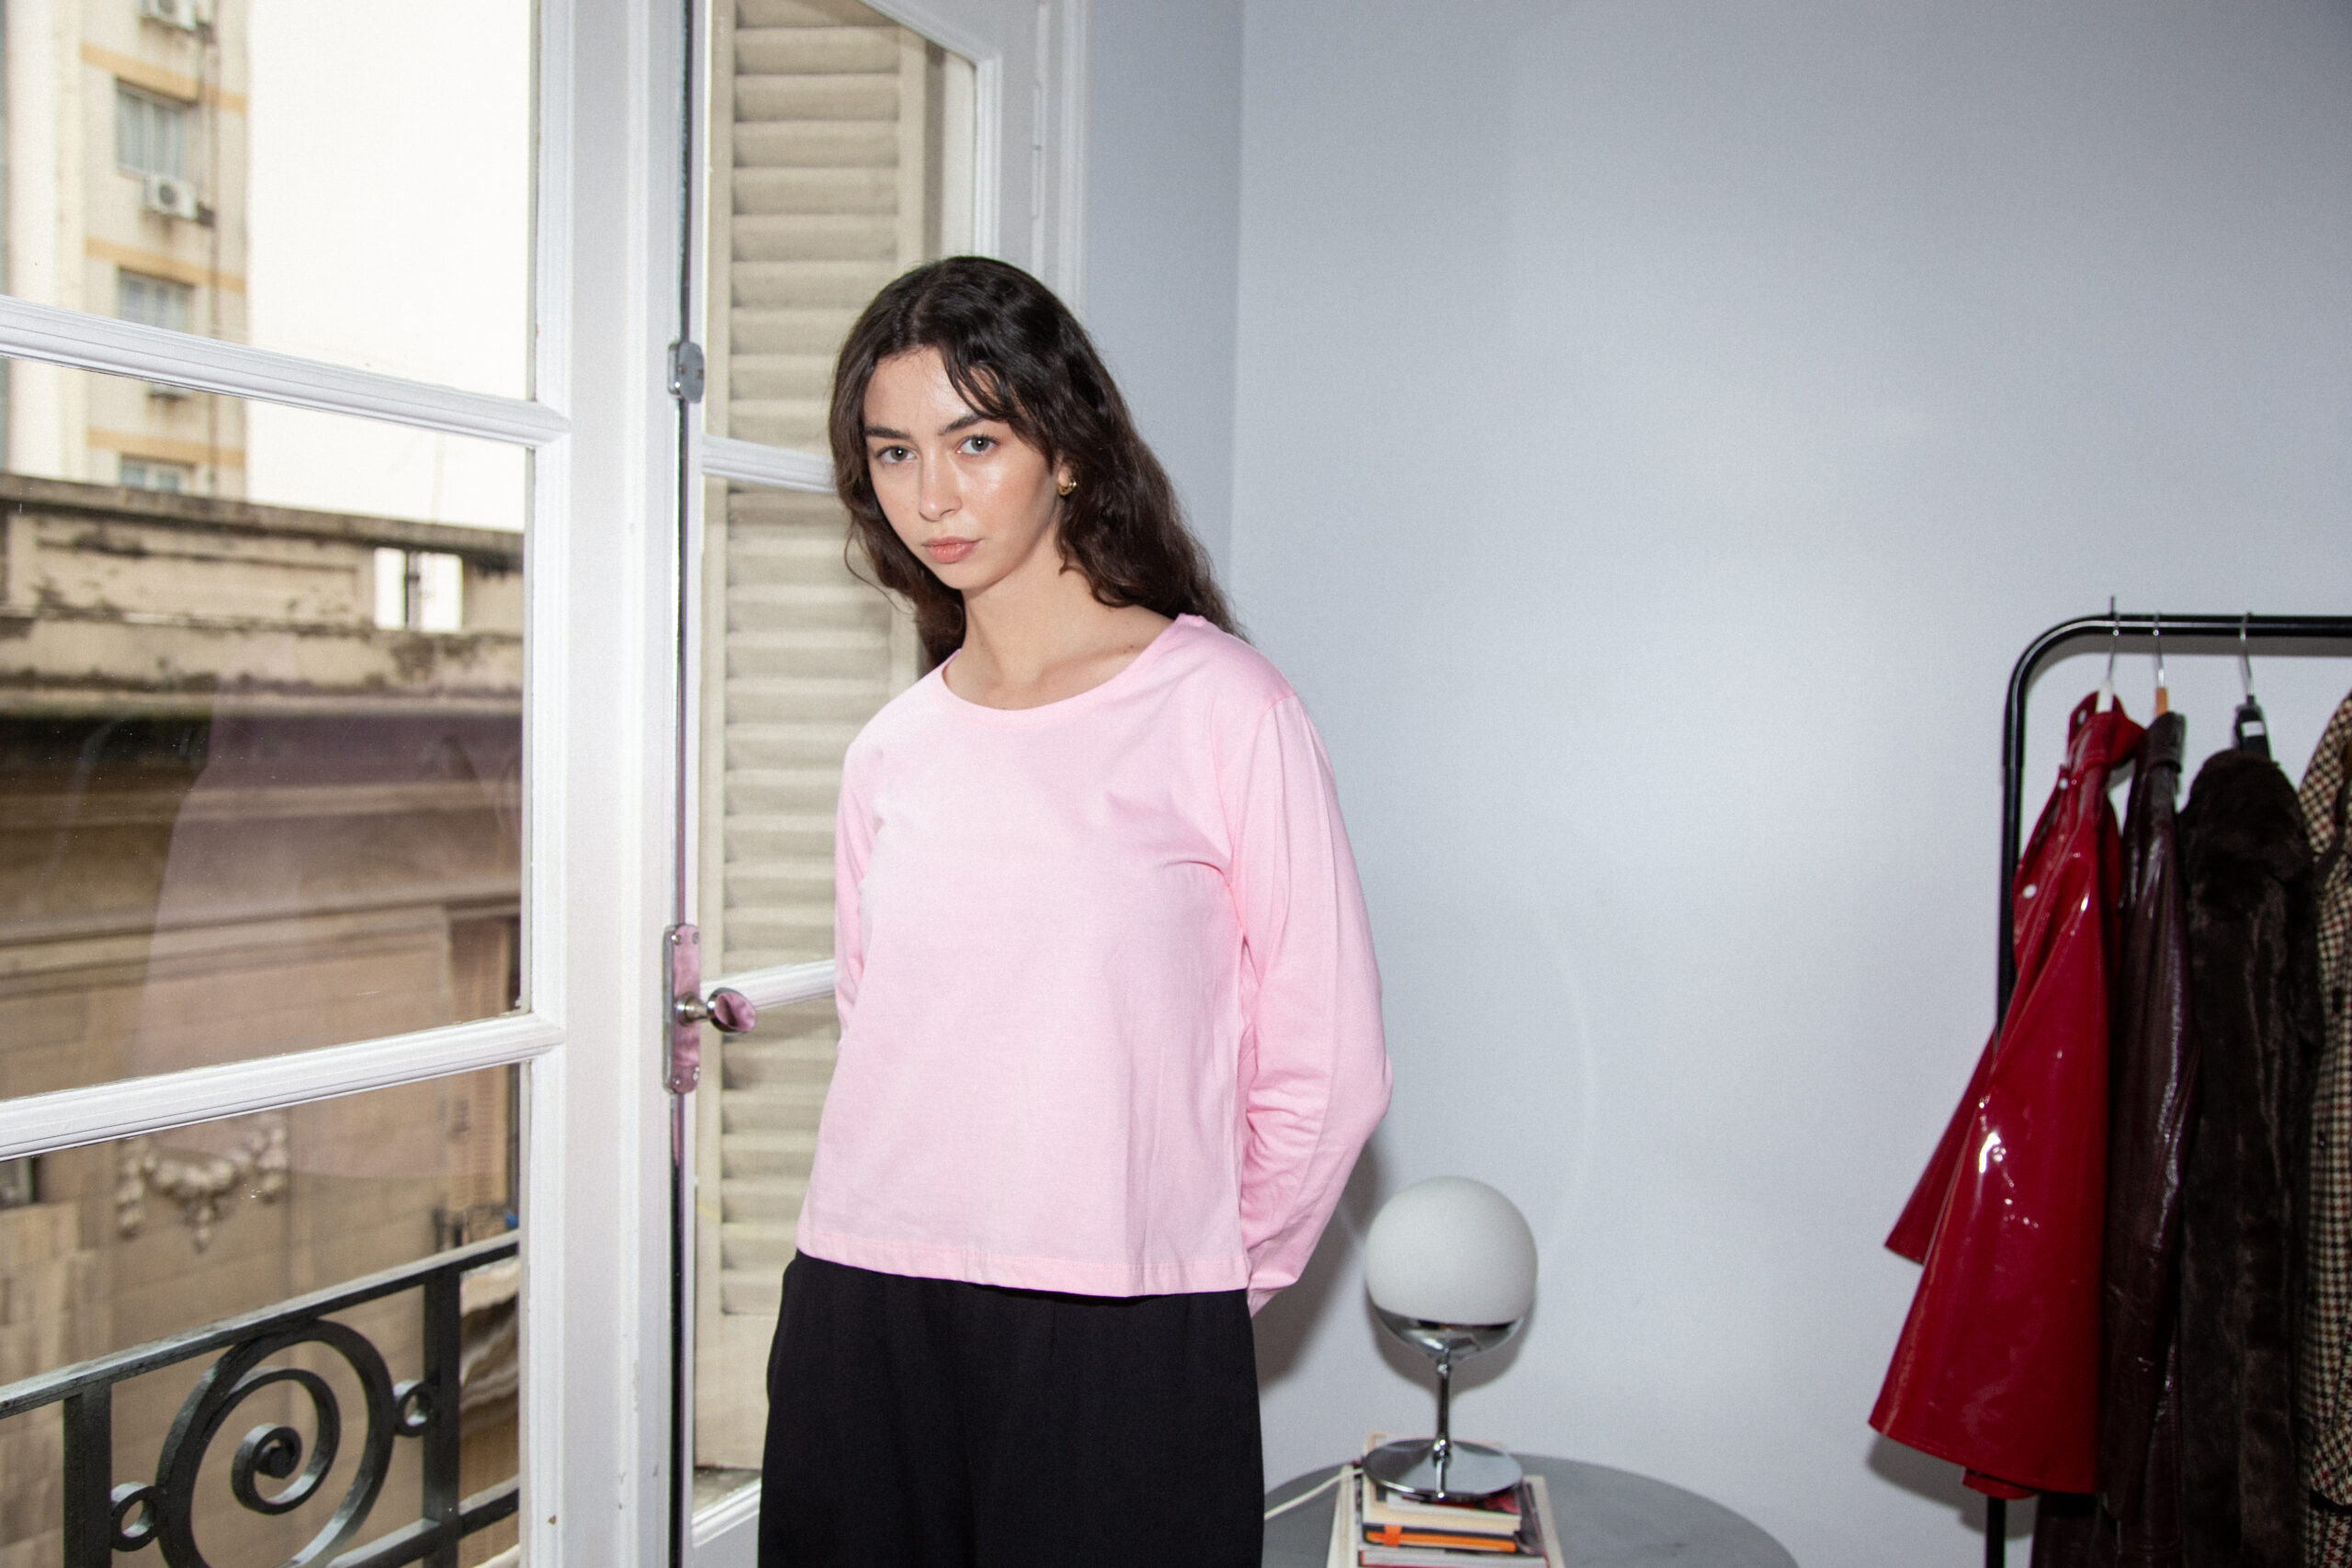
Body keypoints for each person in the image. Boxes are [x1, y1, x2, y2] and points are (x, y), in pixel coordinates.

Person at [757, 256, 1390, 1568]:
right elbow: (884, 1025)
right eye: (893, 453)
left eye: (975, 441)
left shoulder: (1225, 707)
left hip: (1123, 1316)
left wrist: (1200, 1279)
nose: (932, 495)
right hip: (864, 1301)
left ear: (1070, 454)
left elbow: (1328, 1065)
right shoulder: (892, 751)